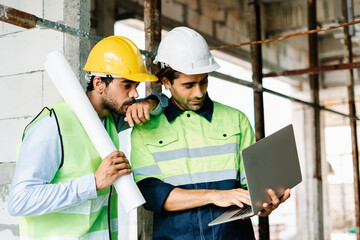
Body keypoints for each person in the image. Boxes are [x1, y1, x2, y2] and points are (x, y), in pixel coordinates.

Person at [130, 27, 291, 239]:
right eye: (188, 85)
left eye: (203, 81)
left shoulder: (236, 120)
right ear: (166, 82)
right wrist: (215, 196)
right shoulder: (145, 129)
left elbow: (251, 188)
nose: (198, 92)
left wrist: (265, 203)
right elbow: (151, 195)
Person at [8, 36, 167, 239]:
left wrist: (150, 102)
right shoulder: (52, 124)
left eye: (136, 85)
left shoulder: (110, 120)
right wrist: (93, 182)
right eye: (126, 85)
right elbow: (20, 201)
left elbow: (164, 103)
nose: (135, 93)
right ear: (99, 83)